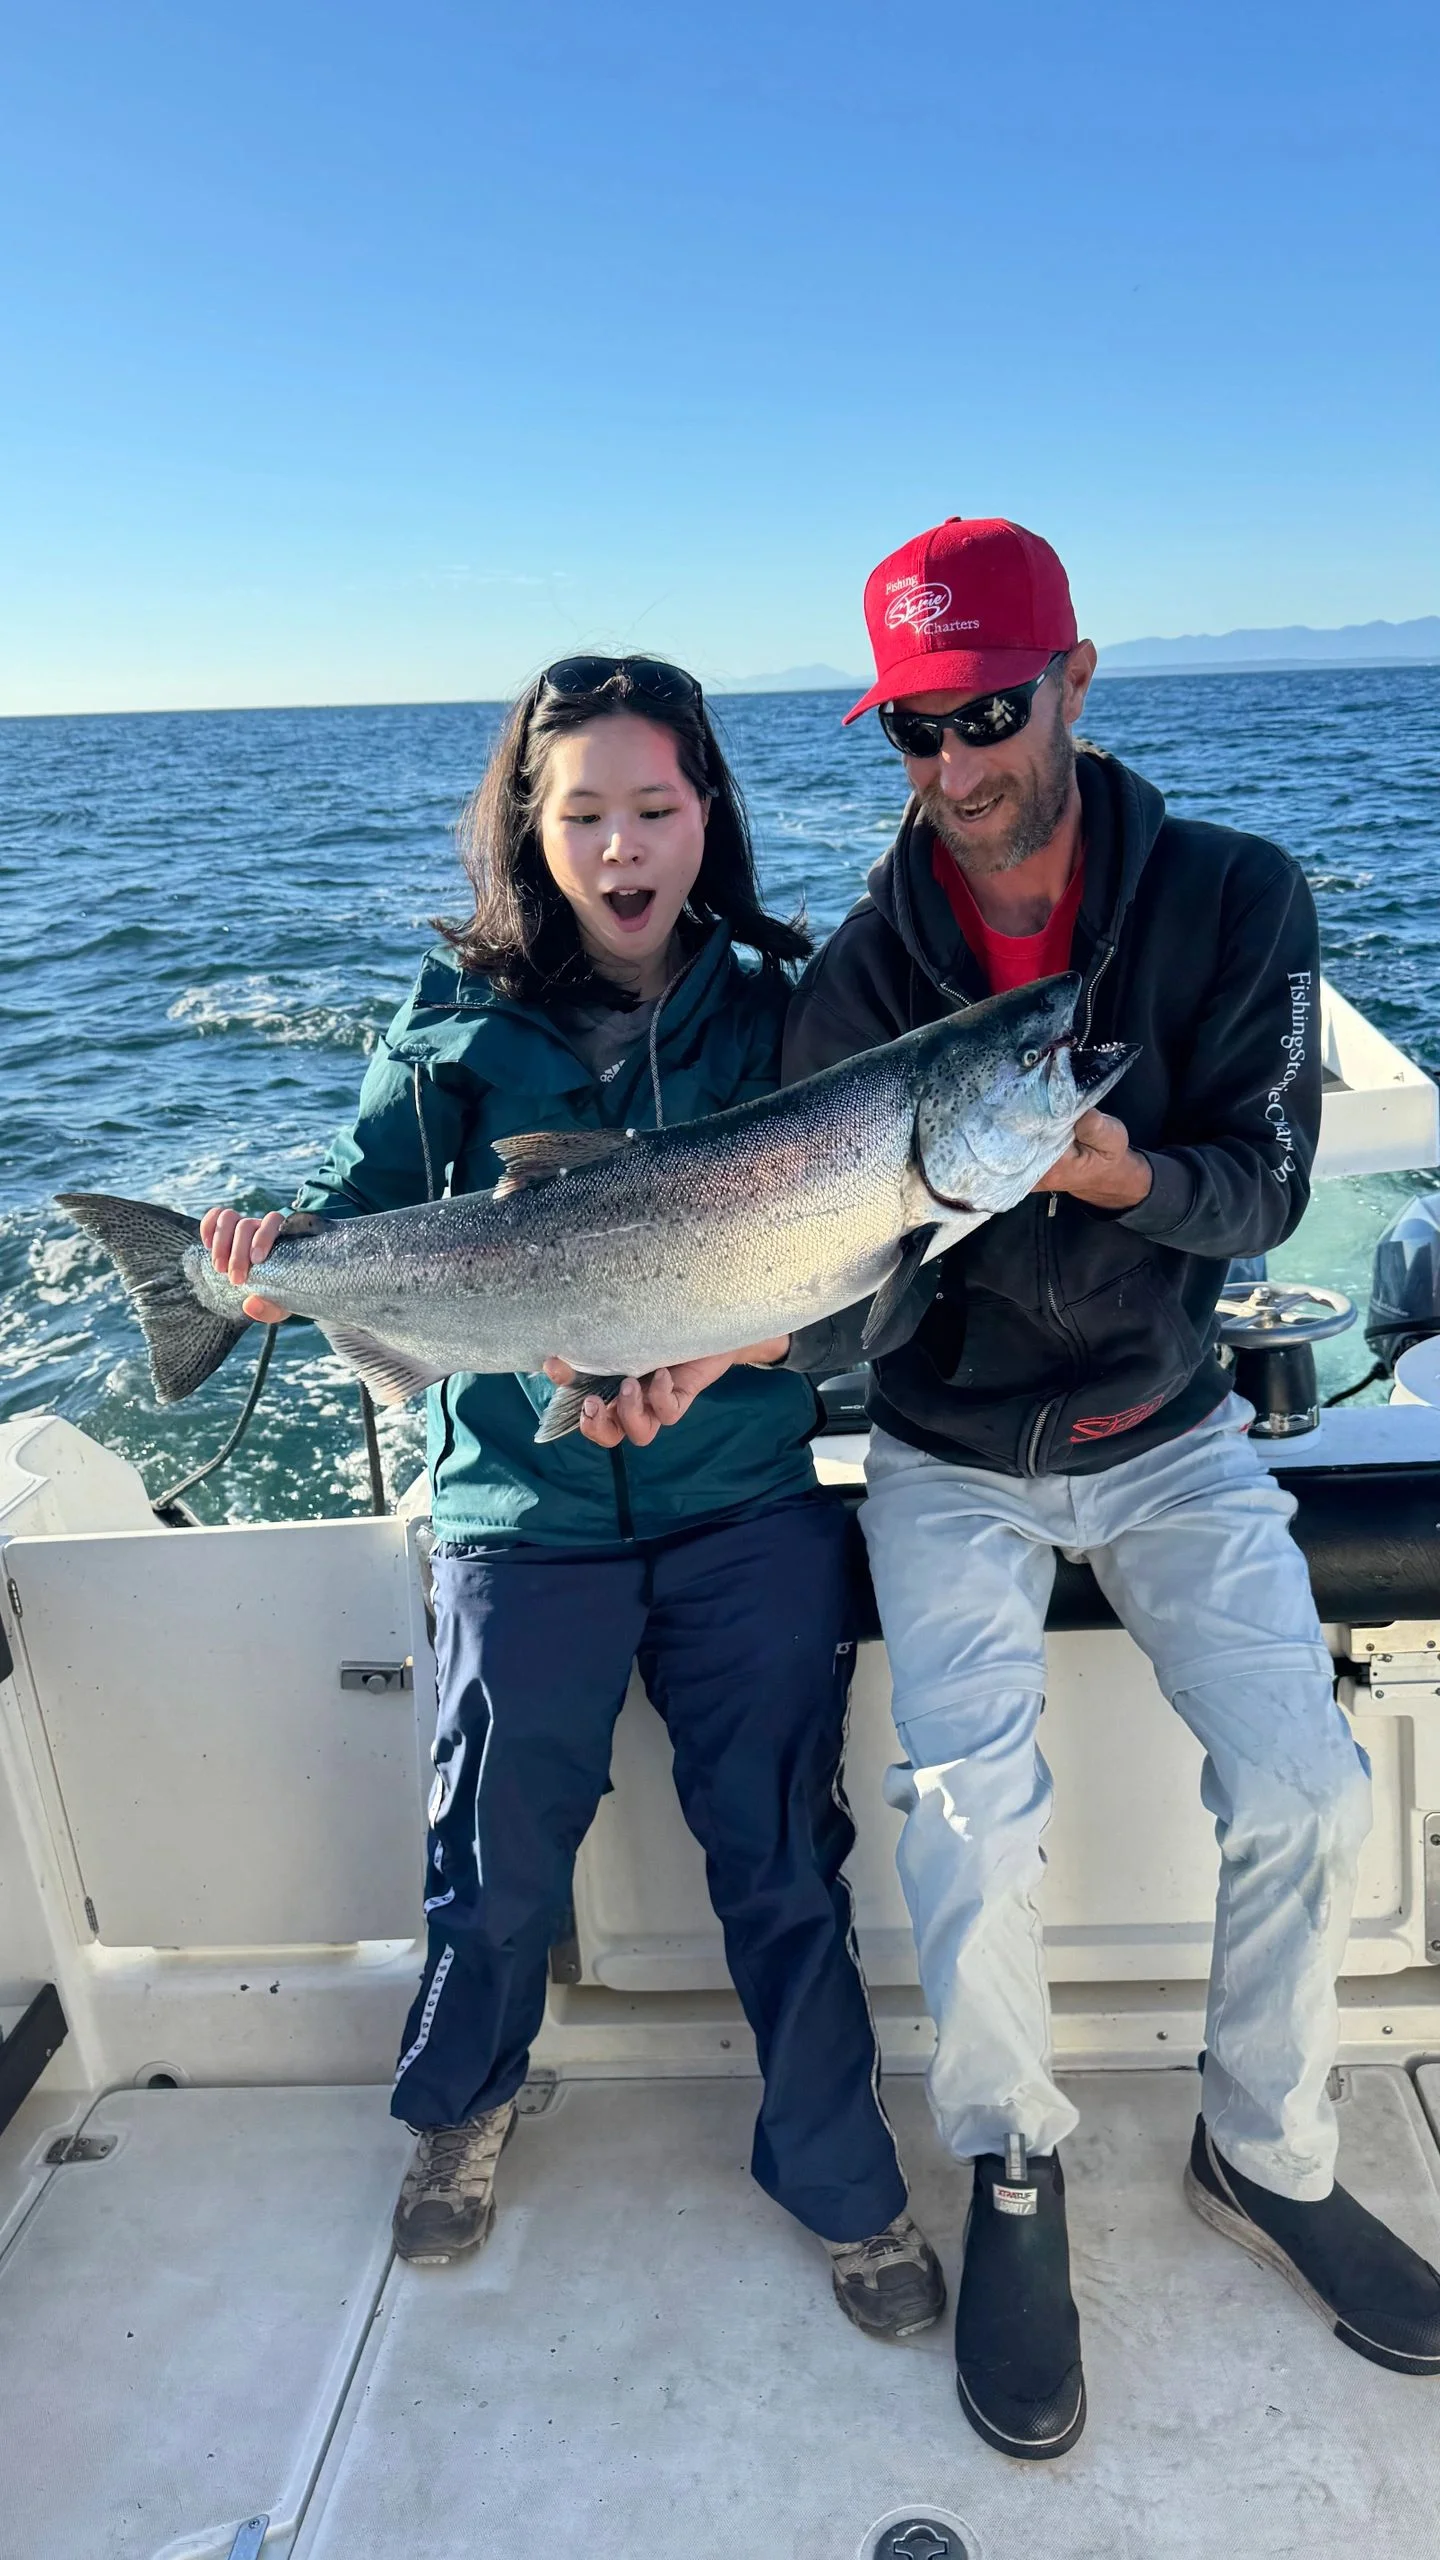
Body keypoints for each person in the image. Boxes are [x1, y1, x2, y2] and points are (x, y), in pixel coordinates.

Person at [563, 531, 1440, 2457]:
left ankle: (1268, 2150)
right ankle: (1016, 2164)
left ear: (1077, 681)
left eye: (990, 710)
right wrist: (702, 1347)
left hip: (1172, 1424)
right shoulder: (865, 971)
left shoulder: (1233, 897)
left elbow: (1269, 1188)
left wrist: (1119, 1178)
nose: (957, 764)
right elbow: (828, 1273)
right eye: (916, 728)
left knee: (1304, 1782)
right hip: (949, 1456)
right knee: (967, 1822)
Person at [198, 654, 943, 2340]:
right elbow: (359, 1206)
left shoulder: (784, 1007)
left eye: (656, 809)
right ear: (531, 831)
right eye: (584, 811)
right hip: (519, 1515)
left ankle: (841, 2178)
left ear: (708, 817)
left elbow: (873, 1276)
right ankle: (462, 2106)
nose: (623, 846)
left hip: (744, 1501)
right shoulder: (451, 1015)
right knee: (495, 1851)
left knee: (778, 1854)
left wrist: (729, 1361)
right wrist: (256, 1266)